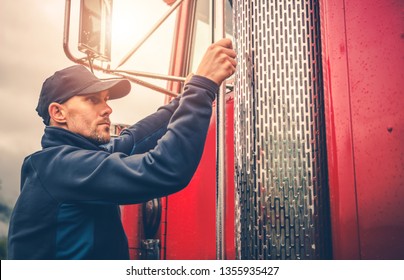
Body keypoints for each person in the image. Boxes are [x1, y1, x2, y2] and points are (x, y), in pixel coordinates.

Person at [8, 38, 237, 259]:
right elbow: (165, 168)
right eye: (92, 100)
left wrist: (187, 93)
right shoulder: (59, 167)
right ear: (58, 113)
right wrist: (202, 86)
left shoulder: (77, 161)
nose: (107, 109)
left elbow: (134, 139)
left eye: (106, 99)